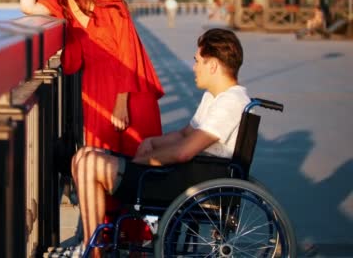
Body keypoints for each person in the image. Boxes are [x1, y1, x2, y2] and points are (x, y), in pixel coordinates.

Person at [20, 0, 164, 251]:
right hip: (95, 95)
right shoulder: (61, 6)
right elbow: (27, 7)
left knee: (136, 165)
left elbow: (127, 48)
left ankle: (136, 241)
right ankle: (101, 241)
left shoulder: (108, 0)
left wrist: (122, 101)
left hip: (130, 92)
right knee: (103, 166)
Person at [71, 28, 250, 257]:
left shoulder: (230, 103)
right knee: (83, 156)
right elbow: (185, 134)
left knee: (89, 164)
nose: (194, 67)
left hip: (185, 183)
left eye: (198, 61)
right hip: (185, 175)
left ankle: (92, 250)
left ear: (213, 65)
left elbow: (184, 152)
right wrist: (153, 141)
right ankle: (92, 245)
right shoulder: (216, 97)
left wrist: (143, 161)